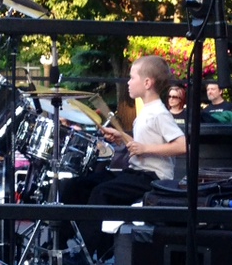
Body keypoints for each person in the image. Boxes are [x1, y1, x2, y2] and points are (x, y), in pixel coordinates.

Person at [59, 55, 186, 262]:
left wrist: (145, 148)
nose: (128, 82)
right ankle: (61, 241)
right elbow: (143, 143)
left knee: (102, 193)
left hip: (151, 178)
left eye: (131, 77)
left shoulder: (159, 113)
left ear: (147, 83)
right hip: (134, 173)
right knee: (78, 185)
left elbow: (182, 146)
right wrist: (123, 137)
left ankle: (85, 254)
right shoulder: (146, 112)